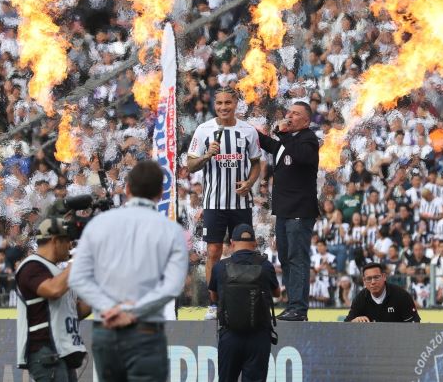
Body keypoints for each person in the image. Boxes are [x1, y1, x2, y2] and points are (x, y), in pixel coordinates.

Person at [69, 161, 188, 382]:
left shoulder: (99, 224)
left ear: (127, 189)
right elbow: (172, 286)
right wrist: (132, 312)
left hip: (107, 327)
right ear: (161, 193)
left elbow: (78, 277)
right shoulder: (171, 231)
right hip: (146, 329)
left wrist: (108, 308)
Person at [186, 87, 261, 320]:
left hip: (240, 203)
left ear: (236, 103)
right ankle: (213, 303)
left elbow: (256, 163)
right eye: (219, 103)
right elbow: (190, 165)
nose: (223, 107)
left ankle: (246, 300)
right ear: (214, 105)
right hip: (214, 203)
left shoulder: (248, 131)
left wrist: (249, 183)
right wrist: (207, 156)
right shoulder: (204, 130)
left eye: (228, 102)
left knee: (245, 252)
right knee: (213, 251)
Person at [255, 101, 319, 321]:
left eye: (296, 113)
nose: (289, 116)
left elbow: (304, 156)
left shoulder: (308, 138)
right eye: (289, 112)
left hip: (299, 211)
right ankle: (293, 304)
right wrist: (246, 130)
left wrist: (282, 136)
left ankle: (299, 308)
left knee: (297, 258)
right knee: (285, 257)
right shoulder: (288, 140)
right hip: (283, 211)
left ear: (306, 120)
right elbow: (270, 145)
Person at [16, 217, 90, 382]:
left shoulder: (56, 272)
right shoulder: (31, 266)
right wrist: (77, 263)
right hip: (46, 350)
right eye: (67, 241)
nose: (70, 246)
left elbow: (74, 312)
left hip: (62, 350)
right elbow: (53, 290)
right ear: (55, 241)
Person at [209, 224, 280, 382]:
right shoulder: (266, 266)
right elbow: (277, 293)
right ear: (254, 243)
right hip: (259, 337)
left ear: (232, 243)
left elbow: (214, 297)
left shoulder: (220, 267)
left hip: (230, 336)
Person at [344, 263, 421, 323]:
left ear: (384, 277)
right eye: (368, 279)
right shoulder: (360, 298)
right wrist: (354, 321)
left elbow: (414, 324)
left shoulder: (401, 295)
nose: (373, 282)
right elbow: (346, 325)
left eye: (376, 277)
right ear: (364, 281)